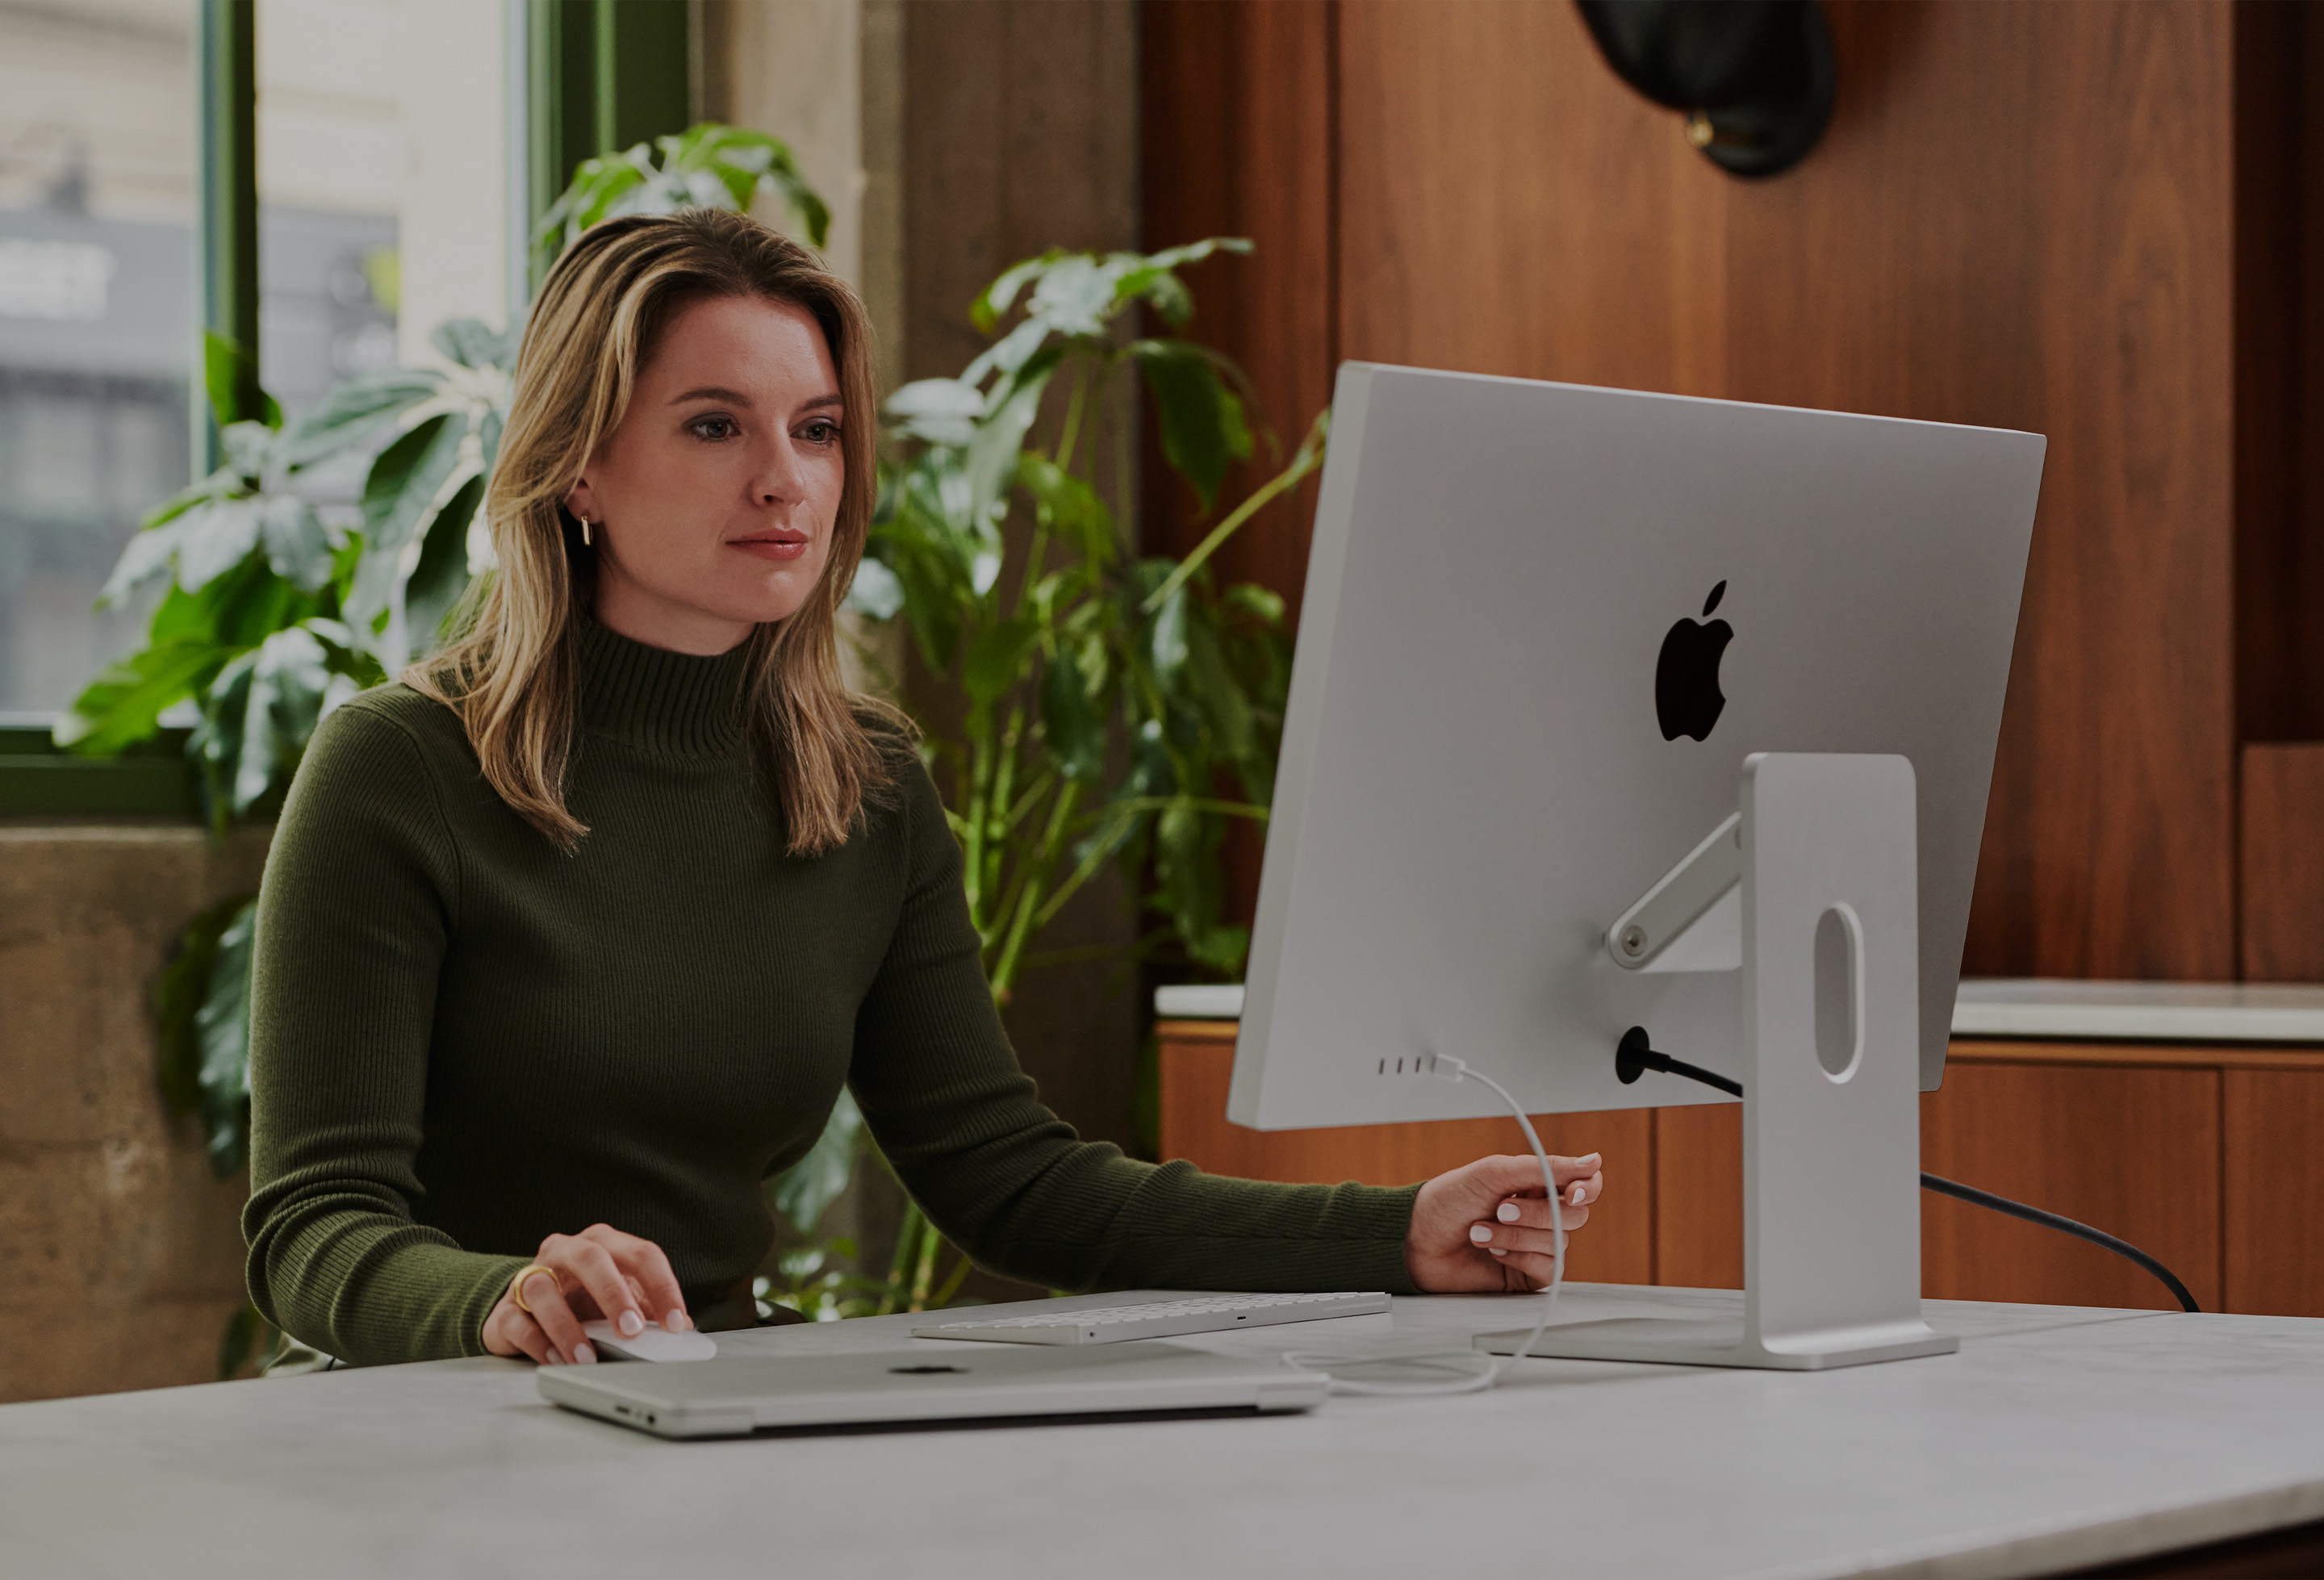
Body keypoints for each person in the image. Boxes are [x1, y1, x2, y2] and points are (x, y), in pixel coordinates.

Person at [243, 209, 1604, 1369]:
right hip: (439, 1426)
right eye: (716, 425)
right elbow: (313, 1224)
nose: (787, 481)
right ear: (580, 464)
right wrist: (504, 1300)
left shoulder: (865, 781)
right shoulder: (402, 767)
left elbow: (1009, 1178)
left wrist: (1396, 1231)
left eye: (819, 428)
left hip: (717, 1415)